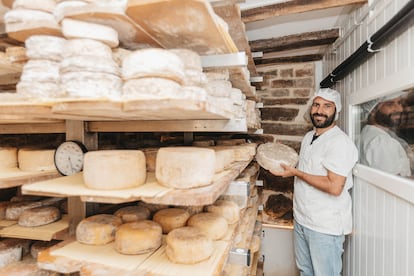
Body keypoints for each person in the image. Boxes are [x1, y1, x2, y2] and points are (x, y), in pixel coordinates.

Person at [270, 88, 358, 276]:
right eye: (316, 105)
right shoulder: (309, 137)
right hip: (303, 218)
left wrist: (296, 173)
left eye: (327, 106)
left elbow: (334, 187)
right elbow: (309, 170)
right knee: (305, 271)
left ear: (337, 111)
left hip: (325, 225)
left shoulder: (339, 143)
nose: (320, 110)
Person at [359, 91, 413, 177]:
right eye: (390, 104)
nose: (399, 109)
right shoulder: (380, 141)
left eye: (399, 103)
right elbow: (395, 183)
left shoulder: (374, 132)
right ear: (373, 111)